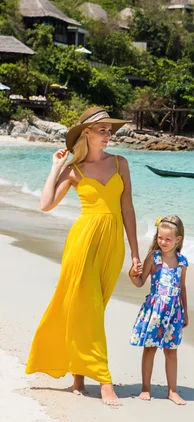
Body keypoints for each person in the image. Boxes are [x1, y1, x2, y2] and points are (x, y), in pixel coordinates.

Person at [26, 106, 141, 406]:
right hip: (83, 242)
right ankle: (104, 380)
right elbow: (46, 204)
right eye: (102, 130)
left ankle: (78, 378)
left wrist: (135, 254)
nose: (108, 135)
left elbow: (127, 208)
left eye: (110, 130)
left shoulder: (120, 163)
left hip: (112, 244)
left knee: (92, 309)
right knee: (85, 306)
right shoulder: (74, 170)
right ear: (86, 133)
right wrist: (55, 168)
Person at [129, 215, 188, 405]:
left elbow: (182, 287)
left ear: (178, 240)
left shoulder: (182, 262)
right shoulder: (153, 258)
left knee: (171, 351)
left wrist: (185, 312)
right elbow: (140, 282)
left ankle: (172, 390)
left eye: (168, 239)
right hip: (155, 310)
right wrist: (132, 275)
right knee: (150, 348)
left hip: (174, 312)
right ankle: (145, 387)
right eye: (160, 238)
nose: (163, 242)